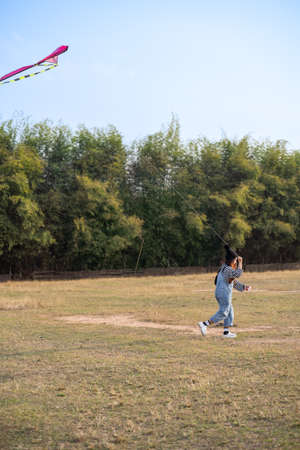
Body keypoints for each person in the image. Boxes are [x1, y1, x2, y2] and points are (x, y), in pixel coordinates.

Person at [198, 245, 251, 338]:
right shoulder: (227, 269)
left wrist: (243, 287)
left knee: (229, 311)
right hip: (223, 293)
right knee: (224, 312)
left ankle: (226, 332)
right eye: (235, 261)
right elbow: (238, 274)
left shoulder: (224, 268)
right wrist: (241, 263)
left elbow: (233, 281)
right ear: (232, 261)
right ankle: (204, 324)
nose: (236, 263)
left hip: (222, 293)